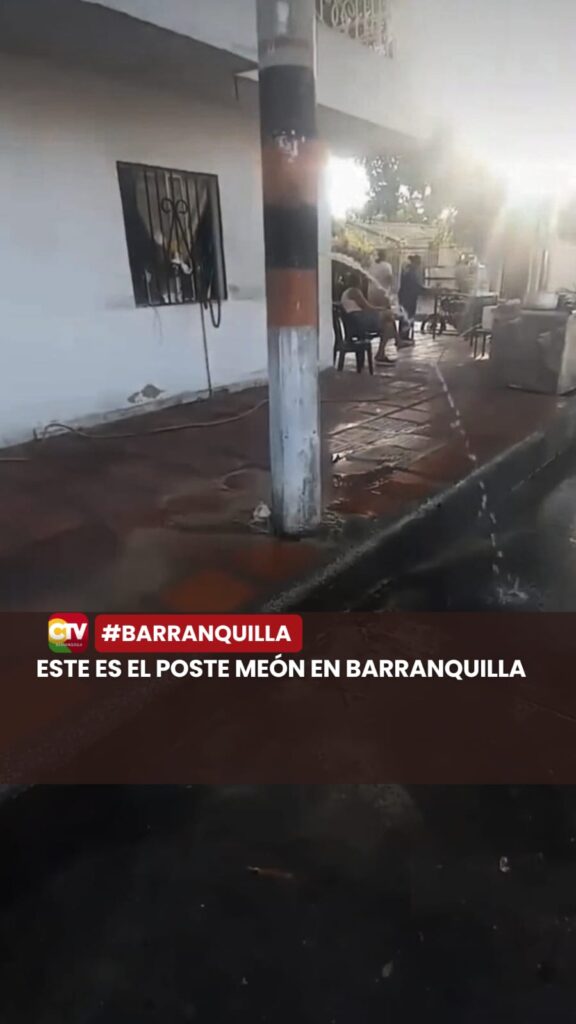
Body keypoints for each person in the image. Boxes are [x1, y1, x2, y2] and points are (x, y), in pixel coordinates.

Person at [340, 273, 399, 364]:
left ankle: (381, 353)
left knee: (388, 325)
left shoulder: (347, 292)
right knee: (388, 314)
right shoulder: (354, 292)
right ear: (358, 281)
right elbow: (367, 307)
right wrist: (381, 309)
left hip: (355, 321)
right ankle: (397, 341)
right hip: (359, 321)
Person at [398, 254, 426, 338]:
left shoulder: (408, 270)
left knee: (405, 316)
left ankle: (403, 335)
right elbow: (416, 285)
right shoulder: (412, 272)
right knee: (408, 316)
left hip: (404, 296)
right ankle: (404, 336)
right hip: (409, 297)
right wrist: (426, 290)